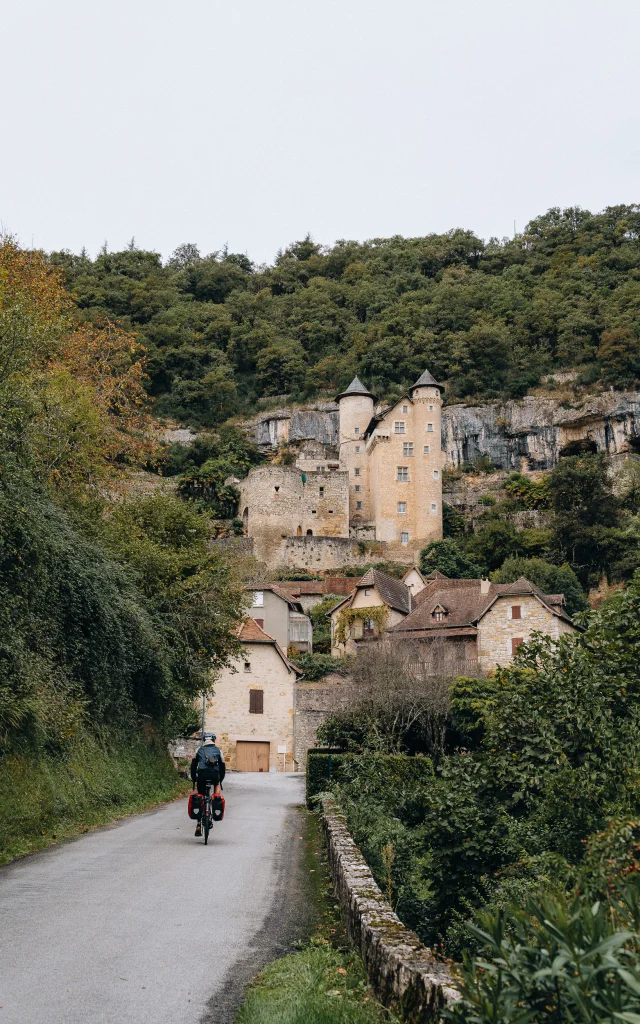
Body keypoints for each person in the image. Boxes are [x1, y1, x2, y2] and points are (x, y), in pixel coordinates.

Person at [190, 734, 225, 837]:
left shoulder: (199, 750)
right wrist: (220, 780)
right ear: (214, 740)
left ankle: (198, 824)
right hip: (214, 776)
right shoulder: (218, 751)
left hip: (201, 776)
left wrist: (194, 778)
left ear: (204, 740)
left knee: (200, 795)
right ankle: (216, 799)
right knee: (216, 784)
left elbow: (193, 766)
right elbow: (222, 767)